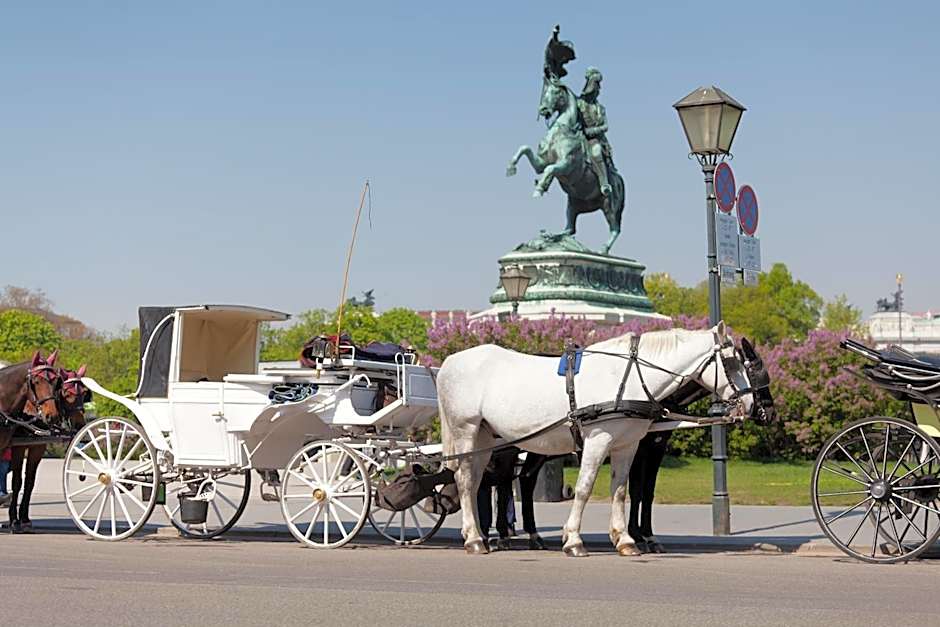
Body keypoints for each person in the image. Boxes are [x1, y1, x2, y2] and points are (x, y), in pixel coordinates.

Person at [577, 67, 614, 198]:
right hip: (579, 138)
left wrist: (591, 131)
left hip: (595, 140)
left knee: (597, 150)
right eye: (597, 85)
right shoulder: (579, 103)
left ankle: (604, 183)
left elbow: (605, 126)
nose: (599, 89)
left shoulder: (600, 108)